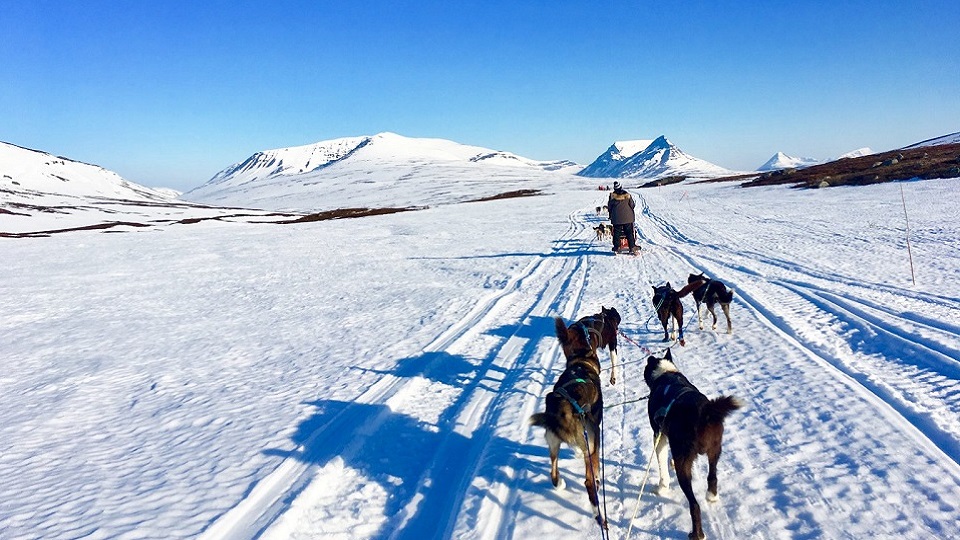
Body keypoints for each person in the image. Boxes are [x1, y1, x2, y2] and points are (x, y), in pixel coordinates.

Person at [606, 181, 639, 254]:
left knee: (617, 233)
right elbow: (632, 205)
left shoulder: (612, 196)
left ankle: (617, 247)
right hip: (628, 217)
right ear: (621, 186)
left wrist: (611, 215)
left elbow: (610, 207)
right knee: (629, 232)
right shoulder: (627, 195)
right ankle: (632, 247)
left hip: (616, 218)